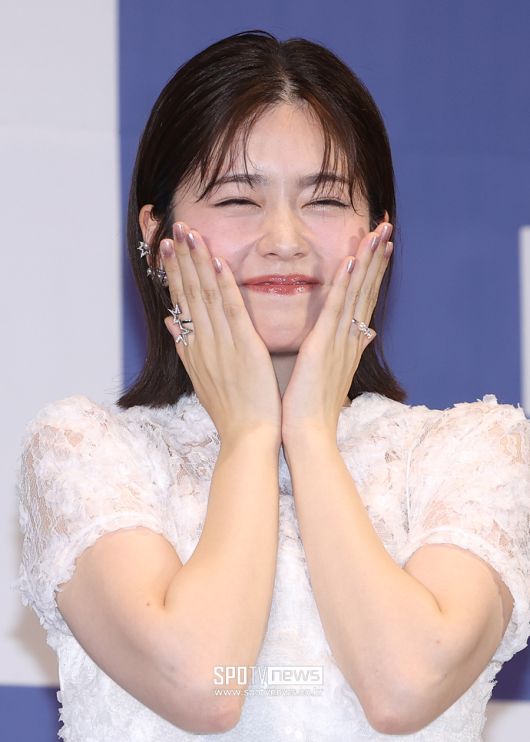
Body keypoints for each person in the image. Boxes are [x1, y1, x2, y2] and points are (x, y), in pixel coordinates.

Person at [17, 30, 530, 742]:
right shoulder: (87, 455)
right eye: (238, 199)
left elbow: (403, 687)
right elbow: (205, 685)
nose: (285, 239)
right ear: (156, 235)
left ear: (380, 233)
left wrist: (310, 433)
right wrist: (251, 436)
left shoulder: (473, 454)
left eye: (325, 200)